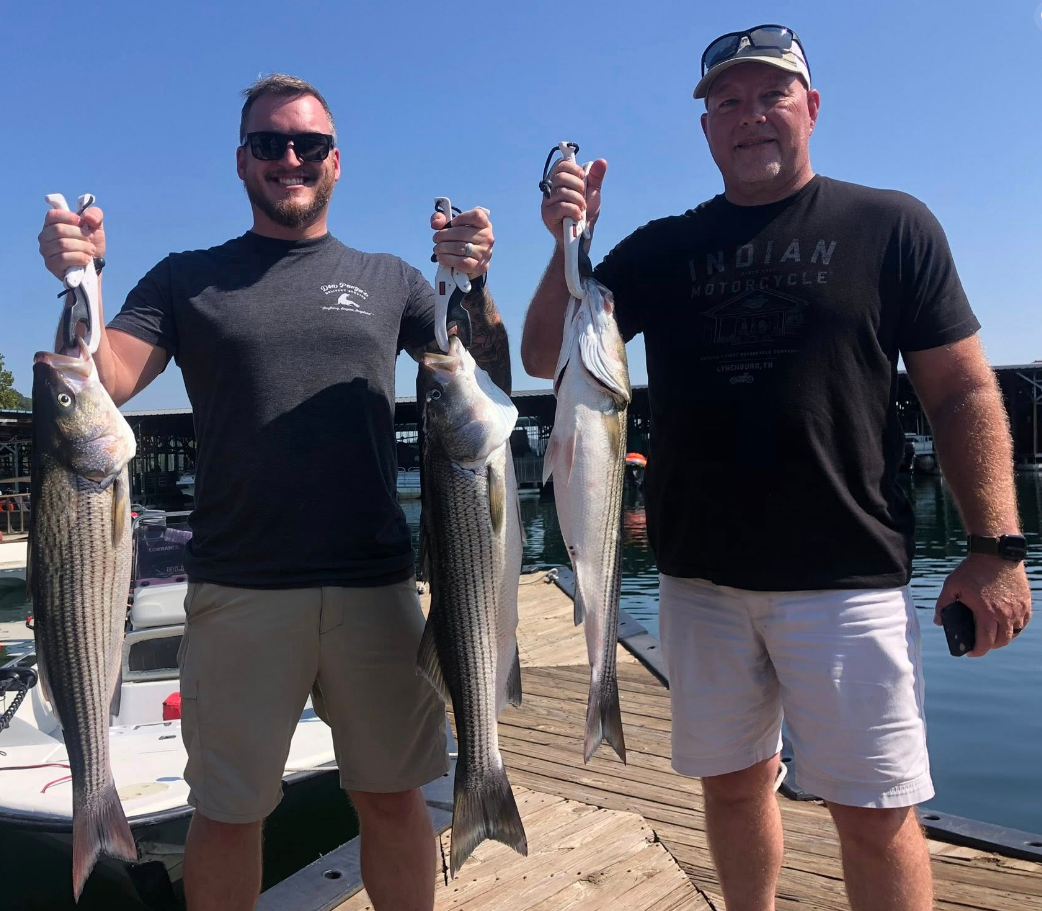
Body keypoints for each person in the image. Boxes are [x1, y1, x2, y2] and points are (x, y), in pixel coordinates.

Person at [522, 25, 1032, 911]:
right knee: (733, 784)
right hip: (700, 579)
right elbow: (541, 355)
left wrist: (996, 544)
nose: (750, 116)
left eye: (771, 96)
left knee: (875, 812)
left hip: (848, 577)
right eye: (728, 102)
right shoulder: (663, 248)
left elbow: (962, 393)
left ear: (812, 107)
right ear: (708, 126)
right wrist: (568, 241)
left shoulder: (892, 225)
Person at [38, 73, 509, 911]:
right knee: (227, 813)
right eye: (270, 143)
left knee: (392, 799)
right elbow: (100, 381)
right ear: (242, 160)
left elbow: (481, 379)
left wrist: (473, 280)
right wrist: (81, 277)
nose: (290, 158)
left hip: (375, 586)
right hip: (238, 589)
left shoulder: (392, 278)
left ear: (336, 161)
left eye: (309, 144)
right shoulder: (187, 278)